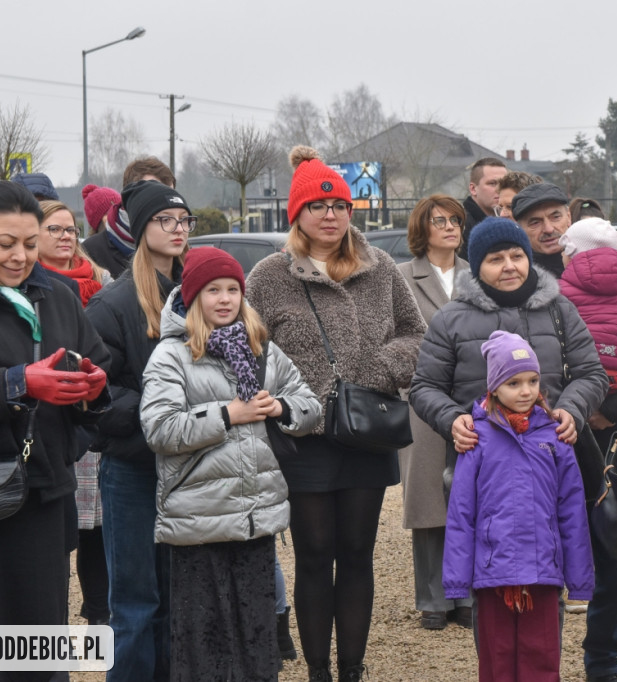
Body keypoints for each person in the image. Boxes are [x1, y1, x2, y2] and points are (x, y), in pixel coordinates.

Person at [245, 145, 426, 682]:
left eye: (340, 206)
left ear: (351, 212)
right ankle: (318, 672)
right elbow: (249, 350)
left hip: (367, 430)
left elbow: (416, 335)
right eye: (318, 207)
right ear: (296, 215)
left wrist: (376, 367)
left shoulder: (379, 266)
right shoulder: (269, 275)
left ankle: (352, 668)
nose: (330, 215)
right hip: (304, 435)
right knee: (314, 552)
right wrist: (290, 396)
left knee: (357, 553)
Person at [0, 180, 110, 682]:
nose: (21, 257)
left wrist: (93, 390)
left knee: (38, 651)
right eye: (5, 244)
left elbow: (95, 371)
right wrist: (18, 383)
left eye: (29, 242)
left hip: (43, 495)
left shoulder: (58, 295)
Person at [140, 247, 322, 682]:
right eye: (212, 290)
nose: (225, 299)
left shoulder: (263, 350)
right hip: (198, 523)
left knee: (257, 639)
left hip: (253, 518)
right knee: (204, 644)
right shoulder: (171, 356)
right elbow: (160, 430)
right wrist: (226, 415)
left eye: (233, 290)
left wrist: (279, 407)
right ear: (193, 297)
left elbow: (310, 406)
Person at [86, 179, 195, 682]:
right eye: (164, 221)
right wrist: (165, 412)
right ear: (140, 229)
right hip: (132, 470)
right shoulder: (111, 305)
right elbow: (98, 395)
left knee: (178, 600)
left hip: (188, 468)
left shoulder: (198, 295)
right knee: (133, 605)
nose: (177, 229)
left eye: (183, 221)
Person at [443, 330, 594, 681]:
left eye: (532, 380)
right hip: (493, 573)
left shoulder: (554, 437)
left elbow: (572, 513)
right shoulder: (476, 438)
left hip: (543, 573)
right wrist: (455, 579)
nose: (526, 391)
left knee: (541, 661)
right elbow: (461, 514)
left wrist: (580, 578)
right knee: (497, 662)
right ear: (494, 387)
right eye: (513, 383)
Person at [556, 217, 617, 682]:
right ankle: (603, 663)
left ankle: (540, 657)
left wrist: (579, 407)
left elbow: (549, 357)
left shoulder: (557, 294)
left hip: (569, 427)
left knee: (552, 544)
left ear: (572, 253)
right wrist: (614, 406)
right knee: (616, 545)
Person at [35, 198, 113, 629]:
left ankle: (99, 612)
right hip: (53, 423)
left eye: (71, 230)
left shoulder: (100, 278)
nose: (66, 237)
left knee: (99, 527)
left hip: (89, 414)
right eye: (55, 230)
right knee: (70, 530)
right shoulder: (31, 288)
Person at [396, 194, 472, 631]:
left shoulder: (475, 276)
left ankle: (466, 596)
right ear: (421, 228)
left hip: (471, 398)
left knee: (472, 496)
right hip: (422, 398)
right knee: (427, 500)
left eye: (455, 220)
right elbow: (392, 334)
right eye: (439, 220)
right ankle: (433, 599)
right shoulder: (403, 277)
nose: (449, 227)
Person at [511, 182, 572, 278]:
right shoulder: (515, 277)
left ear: (568, 217)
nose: (548, 229)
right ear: (520, 229)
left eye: (555, 217)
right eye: (535, 222)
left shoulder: (597, 261)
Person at [460, 157, 508, 255]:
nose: (500, 189)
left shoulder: (509, 221)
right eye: (492, 183)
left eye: (504, 184)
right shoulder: (460, 225)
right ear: (473, 189)